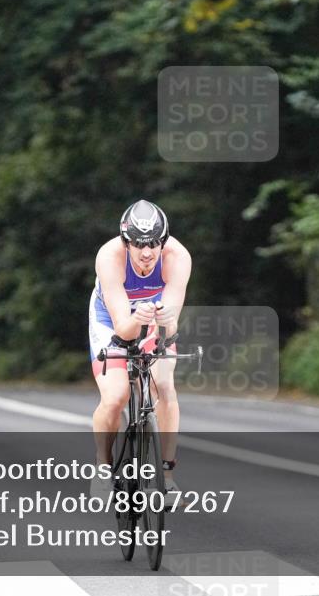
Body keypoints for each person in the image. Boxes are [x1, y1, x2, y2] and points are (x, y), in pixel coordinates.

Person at [88, 200, 192, 498]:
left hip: (153, 319)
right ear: (126, 242)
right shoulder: (110, 257)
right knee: (116, 395)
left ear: (164, 240)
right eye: (138, 244)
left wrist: (165, 325)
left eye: (155, 243)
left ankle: (167, 476)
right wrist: (136, 320)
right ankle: (103, 467)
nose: (147, 252)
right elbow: (122, 328)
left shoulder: (177, 256)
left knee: (164, 386)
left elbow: (169, 325)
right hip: (112, 319)